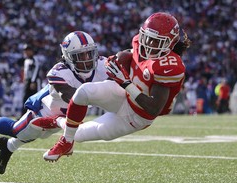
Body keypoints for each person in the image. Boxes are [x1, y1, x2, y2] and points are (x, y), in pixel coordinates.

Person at [43, 12, 191, 162]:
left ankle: (58, 121)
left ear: (170, 43)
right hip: (123, 93)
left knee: (79, 135)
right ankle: (66, 142)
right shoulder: (140, 43)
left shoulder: (169, 66)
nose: (149, 44)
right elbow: (131, 54)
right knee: (84, 91)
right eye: (148, 38)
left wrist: (126, 83)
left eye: (156, 41)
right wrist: (118, 59)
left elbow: (153, 108)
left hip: (137, 116)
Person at [0, 31, 108, 174]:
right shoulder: (59, 72)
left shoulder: (101, 65)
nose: (86, 59)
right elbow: (76, 99)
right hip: (43, 112)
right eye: (80, 55)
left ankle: (8, 147)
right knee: (17, 130)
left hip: (64, 117)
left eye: (89, 53)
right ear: (68, 56)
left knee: (33, 136)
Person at [21, 43, 42, 116]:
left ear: (31, 51)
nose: (26, 52)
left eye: (27, 50)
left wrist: (33, 81)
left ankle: (37, 114)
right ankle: (23, 115)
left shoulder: (35, 59)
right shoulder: (26, 60)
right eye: (25, 51)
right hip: (27, 81)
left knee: (36, 97)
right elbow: (25, 71)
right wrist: (24, 79)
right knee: (25, 97)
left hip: (34, 81)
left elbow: (36, 70)